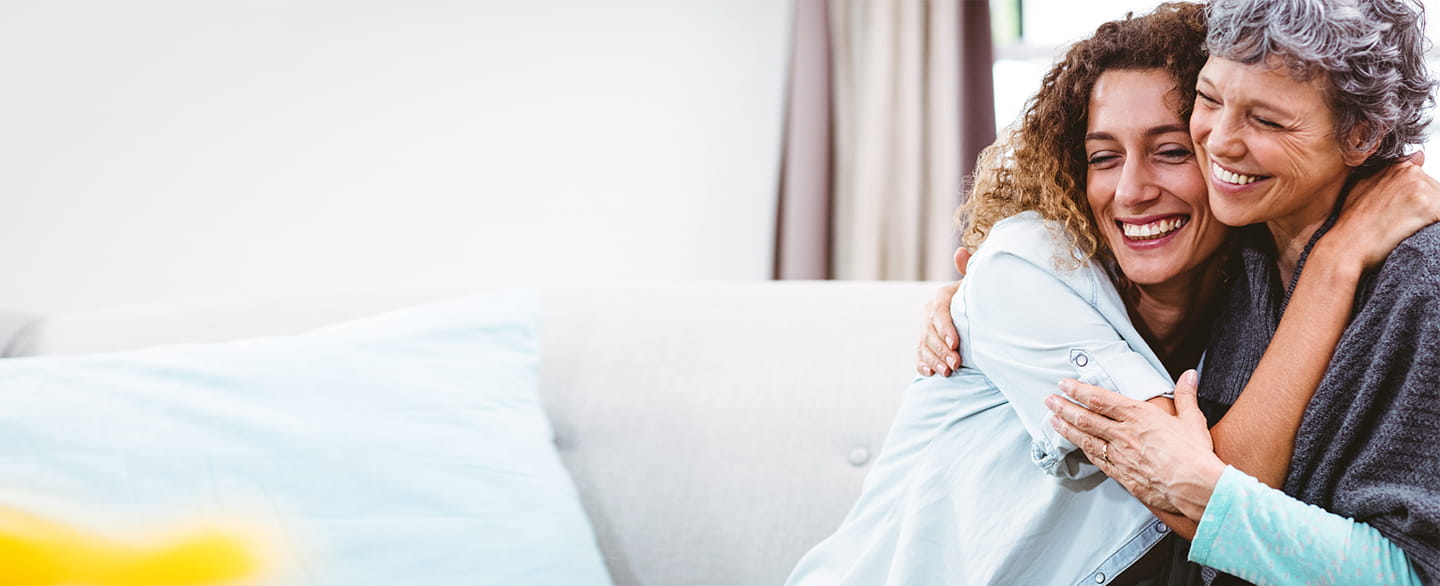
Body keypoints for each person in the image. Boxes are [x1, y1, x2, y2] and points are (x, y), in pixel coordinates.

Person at [789, 3, 1434, 584]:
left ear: (1359, 136)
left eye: (1172, 149)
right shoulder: (1036, 266)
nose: (1131, 190)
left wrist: (1332, 264)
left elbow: (1202, 491)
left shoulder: (1257, 265)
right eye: (1102, 158)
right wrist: (1334, 268)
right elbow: (1190, 483)